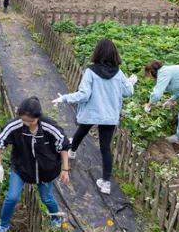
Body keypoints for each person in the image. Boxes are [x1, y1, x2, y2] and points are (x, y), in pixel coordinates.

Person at [52, 39, 137, 195]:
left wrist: (64, 98)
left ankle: (72, 151)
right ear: (114, 54)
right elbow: (128, 92)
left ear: (97, 52)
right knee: (105, 148)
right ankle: (105, 183)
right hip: (109, 116)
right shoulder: (118, 73)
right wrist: (131, 82)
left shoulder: (91, 72)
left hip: (92, 113)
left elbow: (84, 95)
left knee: (82, 130)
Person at [0, 97, 71, 232]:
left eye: (31, 121)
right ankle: (3, 225)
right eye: (24, 120)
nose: (27, 123)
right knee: (12, 197)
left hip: (46, 169)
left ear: (38, 117)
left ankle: (56, 219)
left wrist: (65, 170)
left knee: (46, 198)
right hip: (21, 167)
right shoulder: (14, 126)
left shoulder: (49, 127)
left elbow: (63, 147)